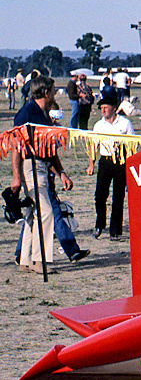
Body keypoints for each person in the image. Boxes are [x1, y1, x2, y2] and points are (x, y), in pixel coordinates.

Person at [10, 77, 88, 272]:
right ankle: (39, 260)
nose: (55, 92)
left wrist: (61, 171)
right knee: (46, 213)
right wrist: (16, 177)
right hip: (31, 167)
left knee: (33, 214)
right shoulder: (26, 113)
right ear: (45, 92)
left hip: (43, 168)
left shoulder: (43, 116)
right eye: (53, 89)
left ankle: (25, 260)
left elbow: (50, 151)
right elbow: (15, 145)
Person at [88, 95, 134, 241]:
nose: (103, 110)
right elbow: (93, 146)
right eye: (101, 108)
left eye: (105, 107)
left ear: (114, 108)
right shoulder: (98, 125)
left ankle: (115, 230)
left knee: (118, 197)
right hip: (105, 161)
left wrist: (130, 166)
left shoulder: (125, 123)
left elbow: (132, 145)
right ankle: (100, 224)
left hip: (120, 162)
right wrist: (91, 164)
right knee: (100, 195)